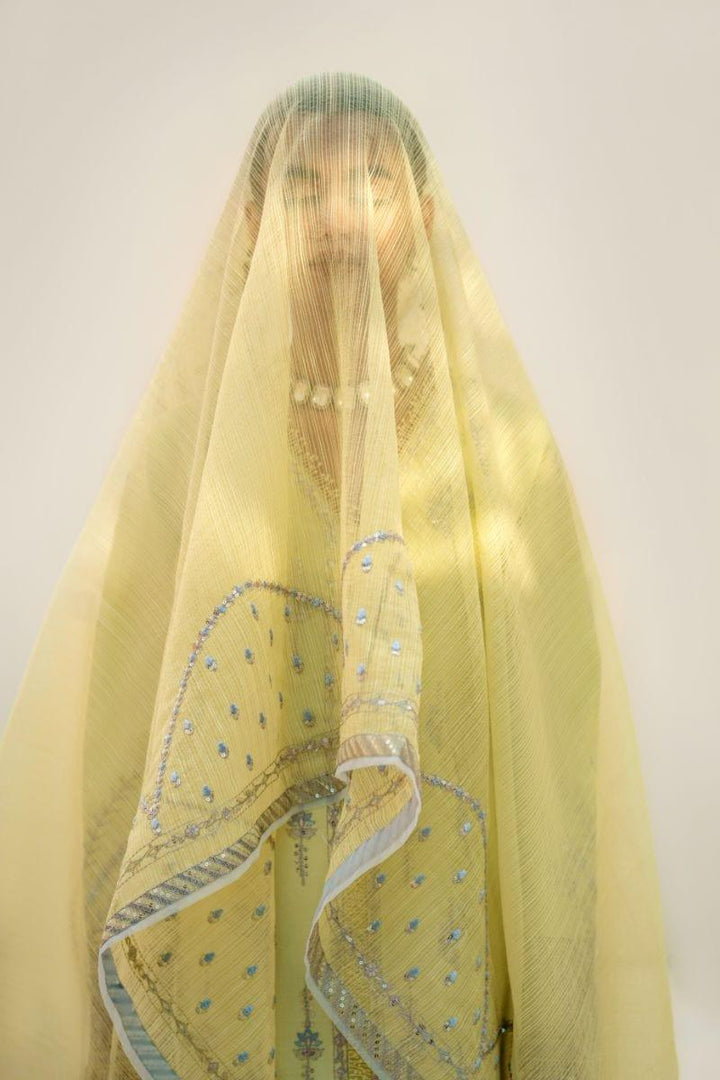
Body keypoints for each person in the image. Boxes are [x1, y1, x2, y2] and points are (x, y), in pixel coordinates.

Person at [0, 71, 679, 1080]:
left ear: (425, 212)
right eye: (304, 185)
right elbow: (123, 669)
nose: (338, 217)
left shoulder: (493, 446)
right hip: (242, 909)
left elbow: (550, 696)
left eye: (373, 181)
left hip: (427, 878)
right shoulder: (195, 445)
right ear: (253, 217)